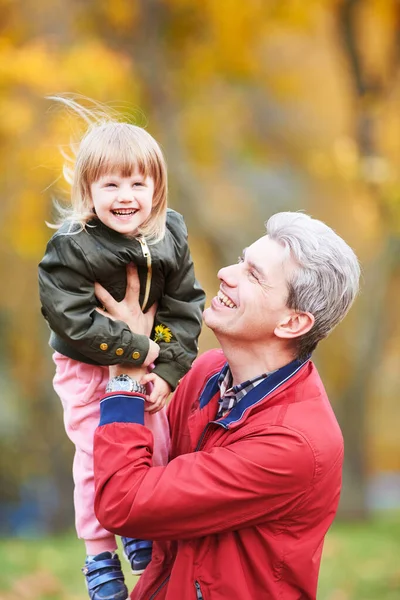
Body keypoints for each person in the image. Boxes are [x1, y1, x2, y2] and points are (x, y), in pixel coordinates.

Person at [92, 211, 360, 600]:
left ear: (292, 323)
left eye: (254, 275)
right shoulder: (207, 371)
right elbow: (149, 473)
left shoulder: (294, 444)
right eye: (240, 260)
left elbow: (125, 501)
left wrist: (125, 375)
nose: (224, 273)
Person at [38, 97, 205, 600]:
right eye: (110, 184)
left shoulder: (170, 233)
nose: (125, 195)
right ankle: (98, 553)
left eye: (137, 183)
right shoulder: (73, 245)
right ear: (88, 191)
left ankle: (136, 517)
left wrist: (168, 370)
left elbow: (184, 308)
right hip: (86, 368)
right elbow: (69, 318)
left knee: (154, 444)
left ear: (157, 189)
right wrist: (136, 348)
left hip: (150, 361)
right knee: (95, 453)